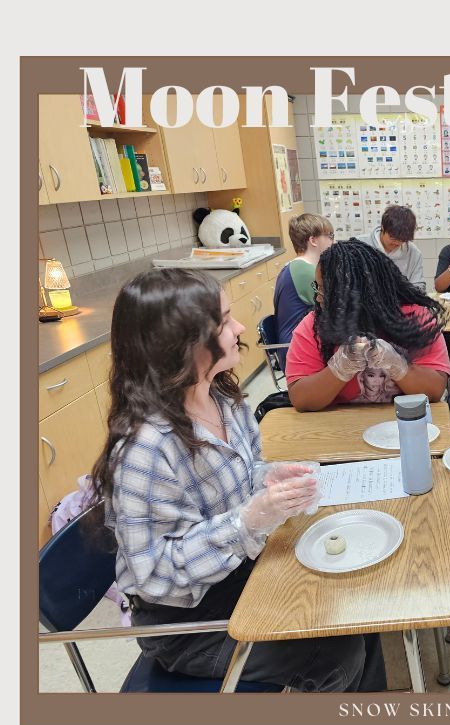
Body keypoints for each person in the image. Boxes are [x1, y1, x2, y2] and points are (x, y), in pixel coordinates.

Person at [90, 268, 386, 692]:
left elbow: (240, 480)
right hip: (187, 625)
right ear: (183, 342)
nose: (240, 328)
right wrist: (248, 520)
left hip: (241, 573)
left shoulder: (222, 397)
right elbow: (152, 574)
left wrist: (269, 478)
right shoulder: (146, 448)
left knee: (357, 608)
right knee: (335, 654)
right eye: (225, 321)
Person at [286, 239, 450, 411]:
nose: (319, 297)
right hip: (337, 428)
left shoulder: (415, 317)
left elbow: (435, 391)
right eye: (318, 287)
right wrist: (339, 368)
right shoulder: (314, 325)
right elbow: (301, 399)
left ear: (362, 296)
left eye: (327, 291)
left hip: (405, 423)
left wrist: (398, 366)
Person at [272, 213, 334, 367]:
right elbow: (333, 307)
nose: (334, 241)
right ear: (313, 240)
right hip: (297, 349)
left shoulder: (296, 266)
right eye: (330, 236)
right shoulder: (304, 270)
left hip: (300, 343)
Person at [355, 204, 425, 288]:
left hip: (402, 301)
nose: (397, 243)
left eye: (402, 240)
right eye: (393, 238)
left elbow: (419, 286)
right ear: (383, 227)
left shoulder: (414, 253)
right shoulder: (358, 246)